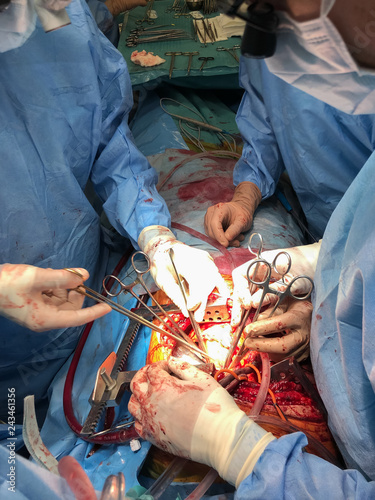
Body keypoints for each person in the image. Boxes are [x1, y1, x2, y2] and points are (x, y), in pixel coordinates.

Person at [128, 0, 375, 497]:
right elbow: (265, 113)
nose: (269, 25)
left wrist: (236, 448)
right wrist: (332, 292)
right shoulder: (279, 31)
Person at [0, 0, 227, 426]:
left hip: (83, 288)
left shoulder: (58, 15)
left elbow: (109, 143)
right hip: (6, 349)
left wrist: (154, 234)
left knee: (79, 416)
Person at [204, 0, 375, 248]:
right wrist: (244, 198)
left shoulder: (363, 31)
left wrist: (322, 258)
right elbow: (265, 120)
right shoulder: (270, 26)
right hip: (323, 226)